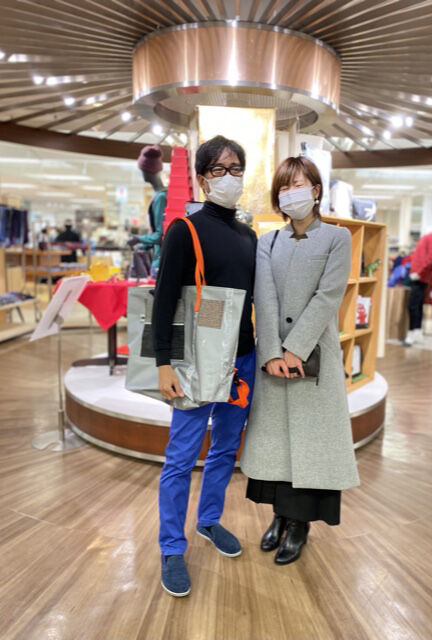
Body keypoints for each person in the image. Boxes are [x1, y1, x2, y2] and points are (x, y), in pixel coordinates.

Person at [240, 156, 360, 565]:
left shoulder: (337, 238)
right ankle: (279, 516)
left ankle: (299, 525)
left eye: (299, 184)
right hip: (274, 361)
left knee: (310, 446)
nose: (292, 192)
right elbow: (263, 297)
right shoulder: (268, 241)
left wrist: (296, 350)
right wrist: (273, 352)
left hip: (314, 358)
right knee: (275, 446)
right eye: (284, 186)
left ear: (316, 190)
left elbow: (329, 296)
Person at [152, 135, 257, 597]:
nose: (229, 177)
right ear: (201, 178)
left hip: (243, 359)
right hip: (195, 362)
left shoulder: (249, 236)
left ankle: (209, 520)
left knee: (226, 448)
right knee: (181, 457)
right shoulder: (184, 229)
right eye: (218, 170)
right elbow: (164, 301)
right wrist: (163, 363)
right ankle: (171, 547)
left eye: (236, 169)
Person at [133, 145, 168, 274]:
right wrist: (144, 244)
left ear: (147, 170)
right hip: (160, 258)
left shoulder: (161, 198)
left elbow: (160, 234)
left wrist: (139, 239)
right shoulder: (160, 195)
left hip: (160, 262)